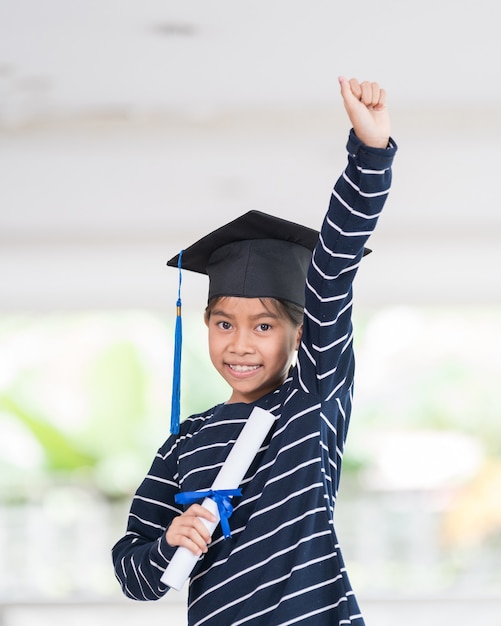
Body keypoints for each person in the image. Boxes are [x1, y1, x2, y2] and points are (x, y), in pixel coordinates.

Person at [112, 77, 397, 625]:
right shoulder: (187, 440)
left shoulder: (310, 404)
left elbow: (334, 271)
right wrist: (169, 543)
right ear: (205, 324)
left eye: (264, 326)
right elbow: (135, 576)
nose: (239, 344)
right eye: (224, 323)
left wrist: (370, 156)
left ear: (299, 333)